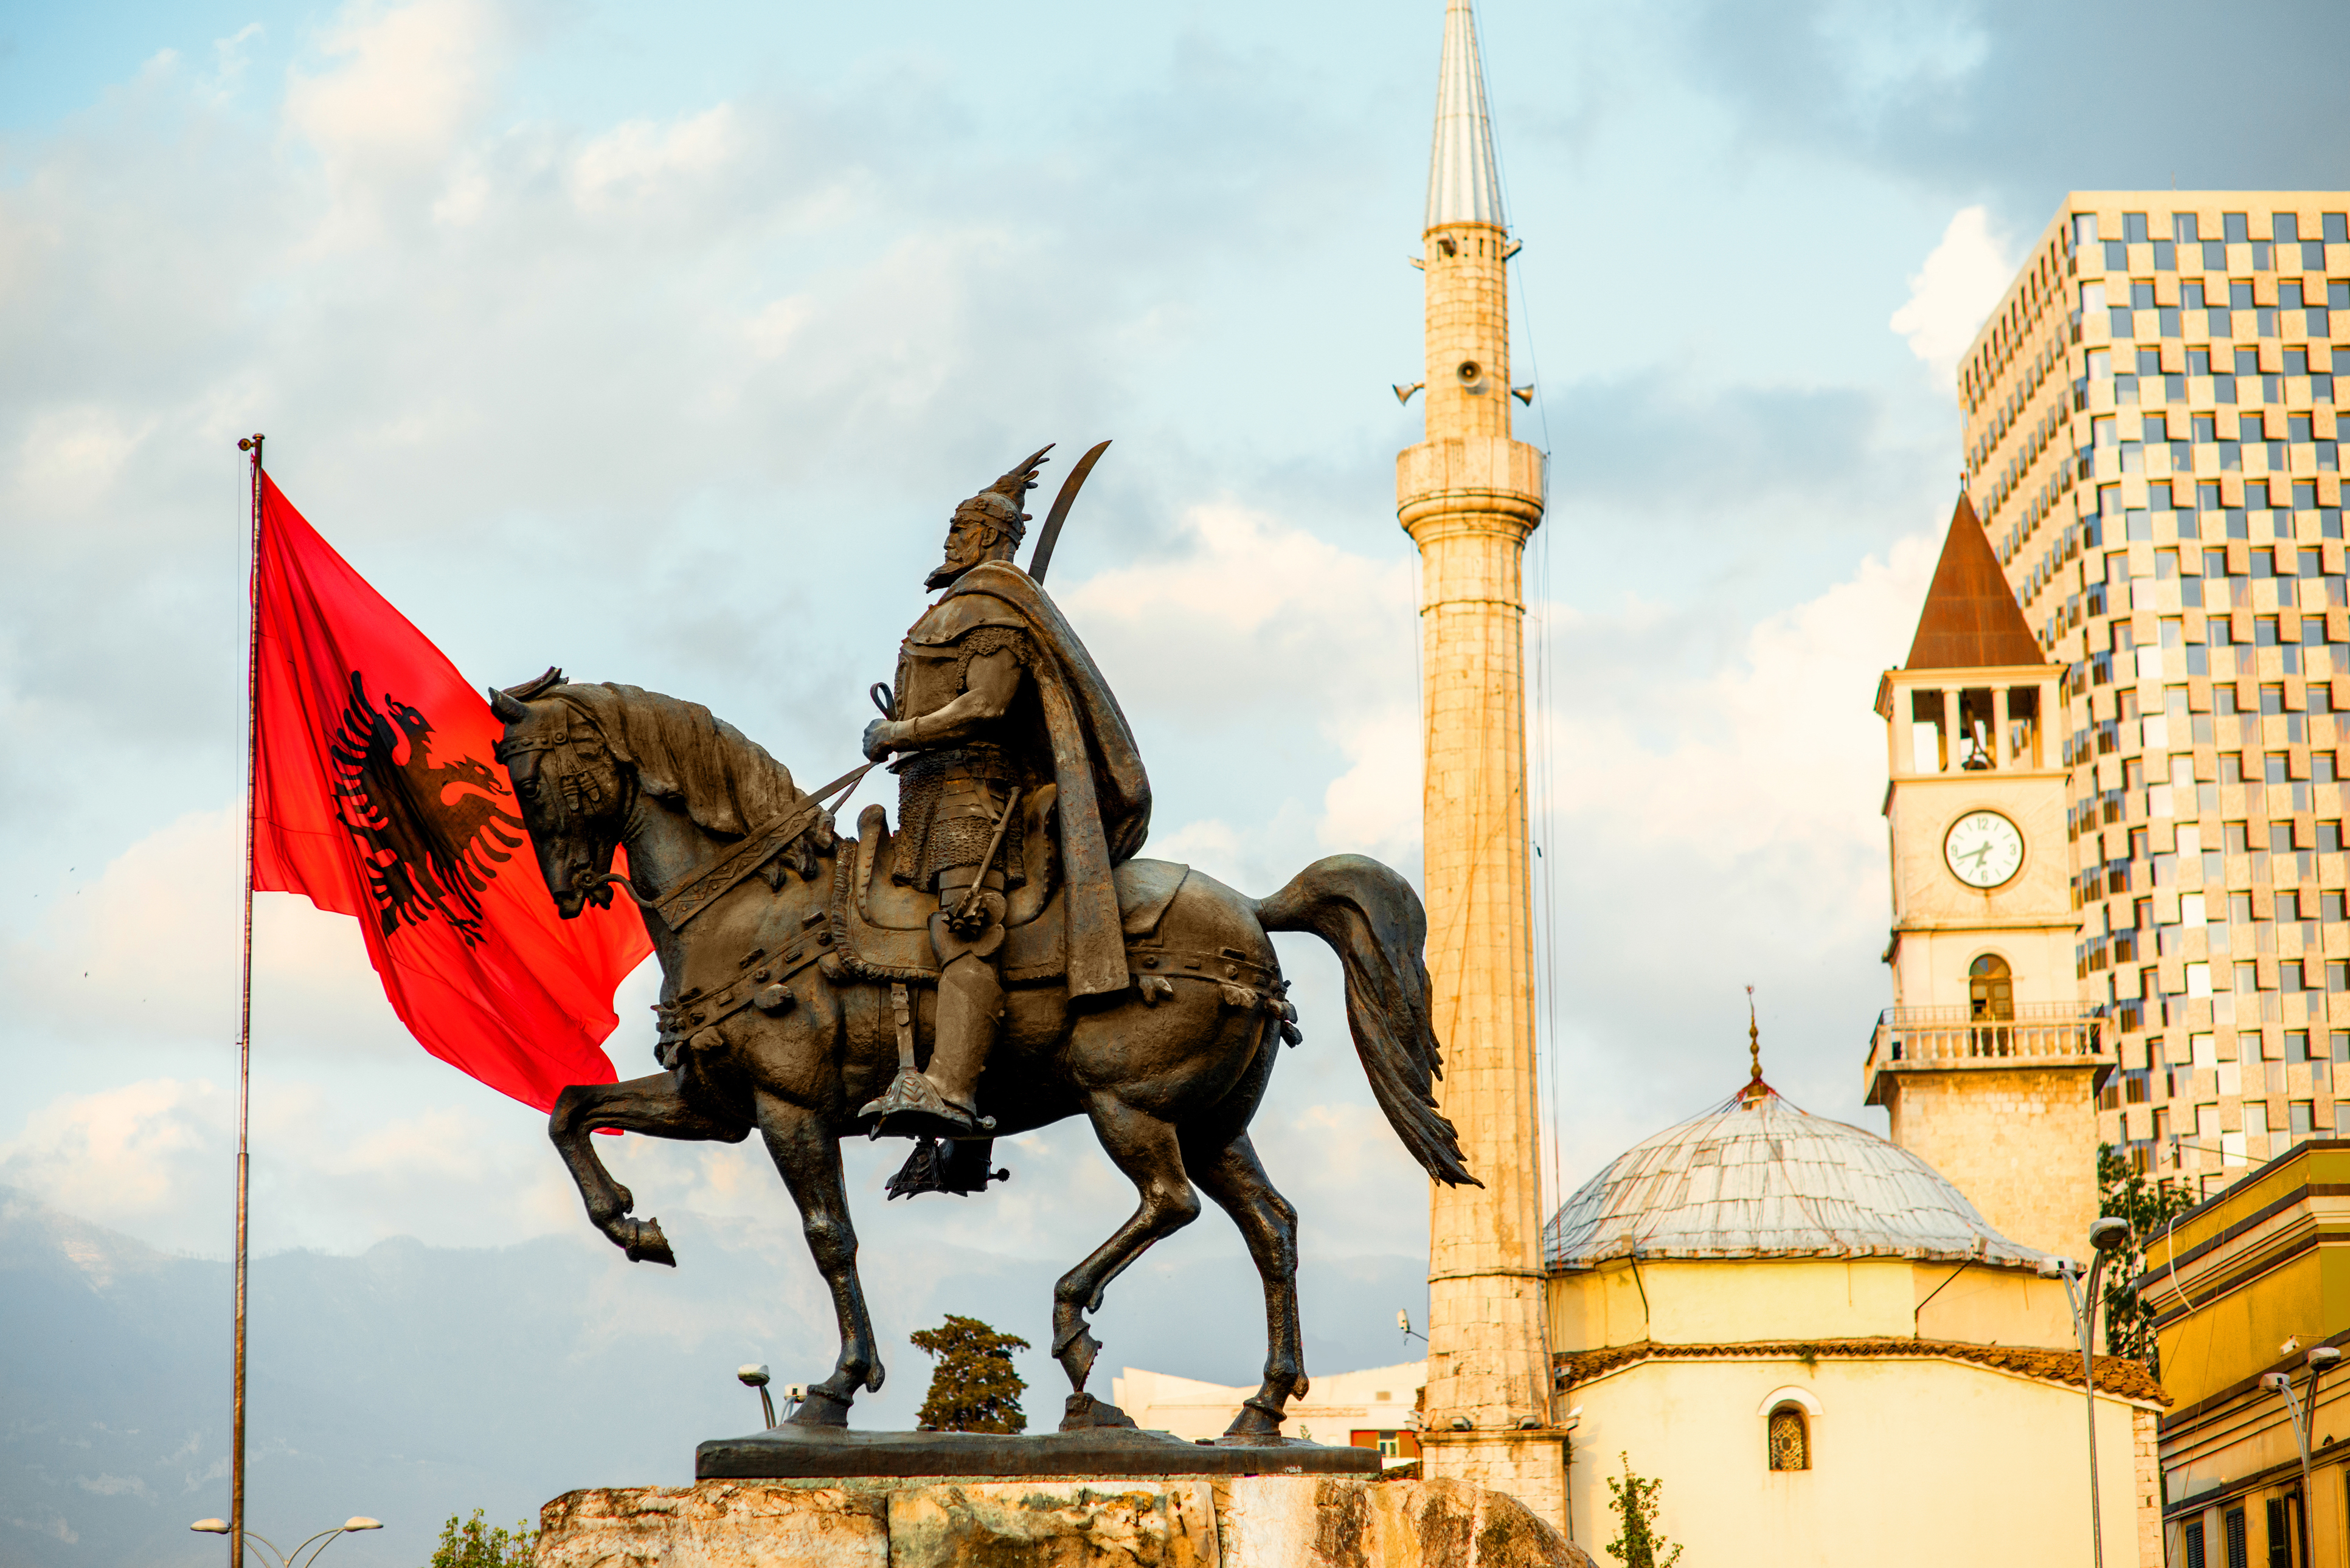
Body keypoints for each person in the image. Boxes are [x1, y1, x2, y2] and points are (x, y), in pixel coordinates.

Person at [858, 447, 1151, 1136]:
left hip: (974, 798)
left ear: (989, 538)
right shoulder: (961, 605)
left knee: (968, 930)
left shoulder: (993, 608)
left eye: (960, 530)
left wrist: (902, 731)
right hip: (927, 794)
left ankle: (952, 1088)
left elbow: (988, 706)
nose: (948, 541)